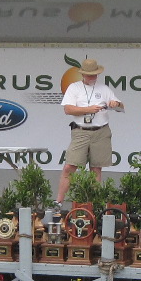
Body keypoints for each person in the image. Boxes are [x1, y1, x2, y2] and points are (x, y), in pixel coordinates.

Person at [56, 56, 124, 204]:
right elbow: (68, 109)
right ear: (82, 74)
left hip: (100, 131)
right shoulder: (74, 88)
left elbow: (120, 107)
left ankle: (94, 203)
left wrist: (115, 103)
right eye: (89, 74)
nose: (92, 77)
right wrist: (89, 109)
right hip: (81, 131)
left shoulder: (104, 89)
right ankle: (58, 202)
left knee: (96, 169)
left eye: (94, 74)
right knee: (69, 166)